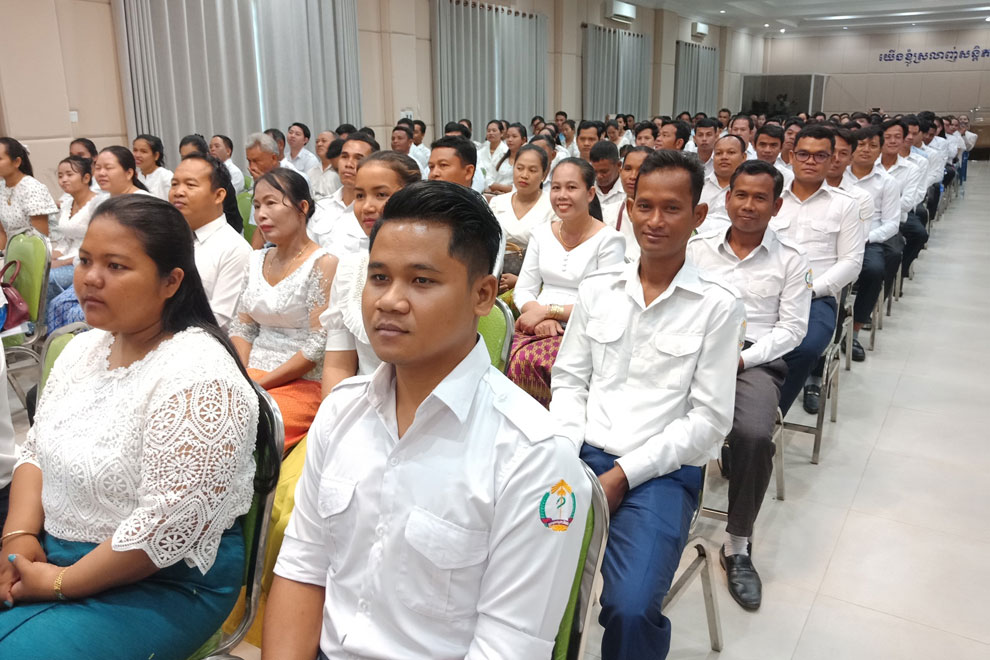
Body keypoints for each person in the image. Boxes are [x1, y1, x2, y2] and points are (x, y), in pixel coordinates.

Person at [264, 180, 589, 660]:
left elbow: (508, 646)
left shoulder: (533, 454)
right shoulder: (341, 410)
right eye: (379, 277)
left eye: (421, 281)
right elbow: (303, 570)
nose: (389, 301)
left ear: (483, 295)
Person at [0, 195, 258, 658]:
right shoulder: (83, 350)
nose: (90, 278)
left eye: (116, 266)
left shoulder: (201, 376)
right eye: (85, 260)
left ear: (171, 281)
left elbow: (166, 524)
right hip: (54, 552)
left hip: (161, 582)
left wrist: (60, 582)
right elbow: (35, 452)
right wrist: (17, 540)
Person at [550, 149, 745, 660]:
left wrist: (624, 474)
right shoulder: (599, 289)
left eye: (671, 208)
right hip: (579, 455)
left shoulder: (717, 306)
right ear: (629, 208)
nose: (654, 221)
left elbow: (709, 420)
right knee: (521, 575)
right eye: (645, 206)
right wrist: (565, 451)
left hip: (662, 474)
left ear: (698, 215)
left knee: (631, 607)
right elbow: (569, 380)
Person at [686, 160, 811, 612]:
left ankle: (737, 544)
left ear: (777, 206)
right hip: (693, 351)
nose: (748, 205)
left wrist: (740, 358)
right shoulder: (697, 248)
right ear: (727, 198)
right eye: (741, 195)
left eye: (760, 198)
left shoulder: (791, 260)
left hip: (753, 359)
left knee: (755, 434)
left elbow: (793, 329)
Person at [230, 168, 336, 451]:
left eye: (271, 203)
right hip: (251, 372)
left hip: (301, 380)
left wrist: (261, 383)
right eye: (256, 206)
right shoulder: (255, 259)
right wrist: (242, 374)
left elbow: (317, 345)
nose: (261, 215)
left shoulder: (323, 263)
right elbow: (243, 327)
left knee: (245, 427)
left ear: (302, 207)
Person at [507, 158, 625, 407]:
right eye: (556, 187)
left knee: (537, 362)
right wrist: (540, 316)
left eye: (571, 187)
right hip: (535, 324)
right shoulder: (541, 234)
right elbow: (525, 289)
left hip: (584, 328)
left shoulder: (609, 240)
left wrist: (550, 312)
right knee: (497, 357)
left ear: (590, 193)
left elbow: (605, 302)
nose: (562, 195)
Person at [772, 125, 864, 415]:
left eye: (820, 155)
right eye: (803, 154)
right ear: (791, 156)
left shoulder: (845, 205)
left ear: (832, 159)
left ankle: (769, 416)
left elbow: (851, 262)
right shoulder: (772, 197)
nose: (810, 161)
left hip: (816, 298)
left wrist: (810, 290)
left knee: (807, 347)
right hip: (766, 289)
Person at [47, 146, 152, 331]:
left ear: (129, 173)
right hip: (97, 272)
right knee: (58, 305)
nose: (101, 173)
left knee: (77, 313)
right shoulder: (100, 202)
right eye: (98, 168)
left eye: (108, 168)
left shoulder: (143, 203)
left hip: (125, 277)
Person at [169, 153, 251, 331]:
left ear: (218, 195)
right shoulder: (168, 239)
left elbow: (220, 321)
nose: (178, 192)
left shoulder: (235, 249)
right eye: (174, 184)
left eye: (190, 185)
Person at [845, 125, 901, 361]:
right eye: (861, 144)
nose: (866, 149)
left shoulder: (887, 182)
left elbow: (892, 224)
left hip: (869, 239)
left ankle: (855, 331)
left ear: (880, 150)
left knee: (875, 270)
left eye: (872, 145)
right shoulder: (838, 175)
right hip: (836, 237)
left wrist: (867, 237)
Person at [488, 144, 553, 293]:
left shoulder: (552, 205)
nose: (524, 175)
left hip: (537, 282)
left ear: (544, 174)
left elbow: (554, 254)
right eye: (519, 168)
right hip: (497, 277)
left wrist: (521, 281)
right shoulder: (498, 202)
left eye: (532, 170)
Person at [47, 156, 105, 308]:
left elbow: (98, 245)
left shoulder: (98, 204)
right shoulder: (67, 204)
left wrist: (62, 262)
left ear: (86, 178)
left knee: (47, 278)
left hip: (85, 262)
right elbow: (65, 240)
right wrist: (48, 257)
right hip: (66, 258)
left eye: (69, 174)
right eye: (60, 176)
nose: (64, 180)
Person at [309, 133, 380, 255]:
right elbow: (308, 252)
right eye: (344, 156)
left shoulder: (375, 211)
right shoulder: (321, 207)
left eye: (358, 158)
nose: (348, 164)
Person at [879, 118, 927, 280]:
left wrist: (880, 208)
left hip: (898, 218)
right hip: (866, 218)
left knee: (919, 235)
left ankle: (898, 274)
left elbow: (908, 202)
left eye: (897, 137)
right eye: (887, 137)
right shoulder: (870, 163)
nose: (892, 141)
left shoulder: (913, 168)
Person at [0, 138, 57, 245]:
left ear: (17, 162)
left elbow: (40, 238)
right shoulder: (1, 187)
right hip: (12, 249)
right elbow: (1, 233)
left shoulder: (32, 188)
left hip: (36, 250)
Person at [606, 146, 652, 262]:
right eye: (628, 169)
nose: (633, 176)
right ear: (620, 170)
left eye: (642, 170)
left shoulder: (665, 217)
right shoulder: (606, 213)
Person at [699, 135, 747, 234]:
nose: (724, 157)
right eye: (718, 153)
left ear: (743, 157)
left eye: (731, 152)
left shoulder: (750, 189)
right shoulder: (698, 185)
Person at [591, 141, 625, 227]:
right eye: (595, 171)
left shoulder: (627, 191)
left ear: (619, 165)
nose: (599, 176)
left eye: (604, 171)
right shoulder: (587, 189)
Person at [486, 123, 526, 194]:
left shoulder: (526, 160)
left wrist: (501, 188)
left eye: (514, 136)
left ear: (523, 140)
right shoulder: (500, 156)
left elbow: (522, 186)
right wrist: (497, 188)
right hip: (495, 194)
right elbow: (489, 178)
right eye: (508, 136)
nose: (510, 140)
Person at [132, 134, 173, 200]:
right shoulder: (136, 177)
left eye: (143, 151)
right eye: (135, 150)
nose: (137, 155)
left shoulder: (166, 177)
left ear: (156, 155)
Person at [307, 132, 343, 201]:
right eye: (317, 142)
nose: (319, 144)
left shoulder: (341, 172)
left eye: (324, 141)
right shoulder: (311, 172)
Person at [476, 119, 506, 186]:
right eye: (488, 131)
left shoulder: (506, 152)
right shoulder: (480, 152)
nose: (491, 133)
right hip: (483, 188)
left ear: (501, 133)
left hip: (501, 188)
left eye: (494, 130)